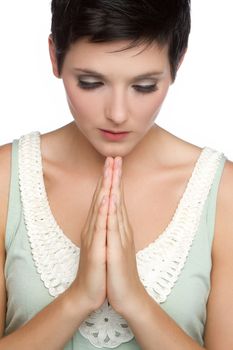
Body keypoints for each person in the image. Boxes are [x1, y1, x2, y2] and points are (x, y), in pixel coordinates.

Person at [0, 0, 232, 349]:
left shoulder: (222, 193)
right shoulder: (6, 177)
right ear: (54, 57)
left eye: (144, 86)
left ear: (178, 62)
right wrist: (77, 298)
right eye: (91, 83)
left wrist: (136, 302)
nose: (118, 114)